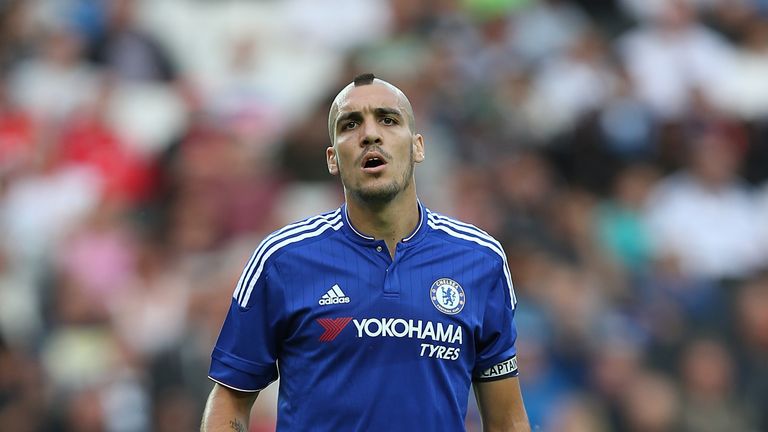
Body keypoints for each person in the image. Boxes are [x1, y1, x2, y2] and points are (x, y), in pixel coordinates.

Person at [200, 73, 530, 431]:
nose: (370, 134)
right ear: (332, 158)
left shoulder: (479, 260)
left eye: (388, 120)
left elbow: (506, 419)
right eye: (350, 124)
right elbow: (231, 398)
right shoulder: (282, 260)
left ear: (418, 146)